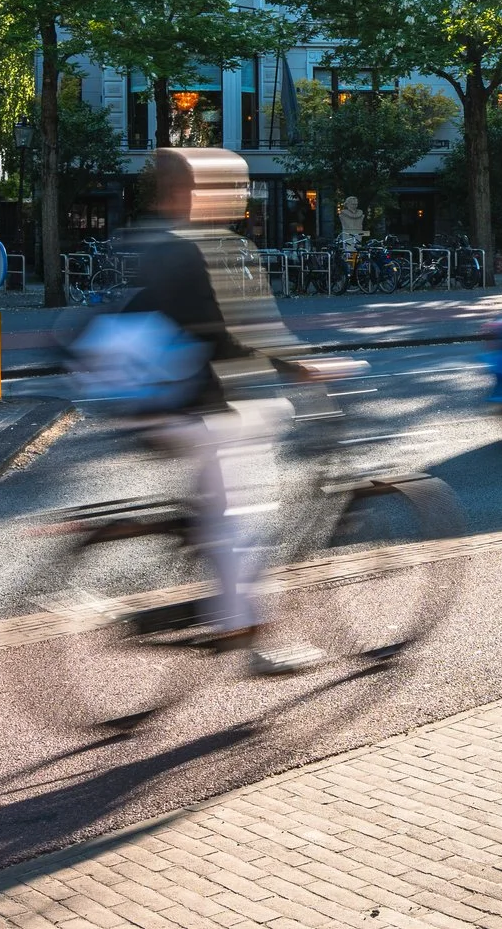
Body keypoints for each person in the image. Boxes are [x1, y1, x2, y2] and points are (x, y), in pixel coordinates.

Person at [120, 147, 319, 676]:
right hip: (196, 406)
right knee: (247, 521)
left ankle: (197, 554)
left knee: (216, 509)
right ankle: (244, 634)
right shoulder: (201, 248)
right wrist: (299, 367)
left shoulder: (153, 240)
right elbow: (233, 332)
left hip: (152, 402)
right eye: (228, 187)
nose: (238, 197)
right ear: (189, 192)